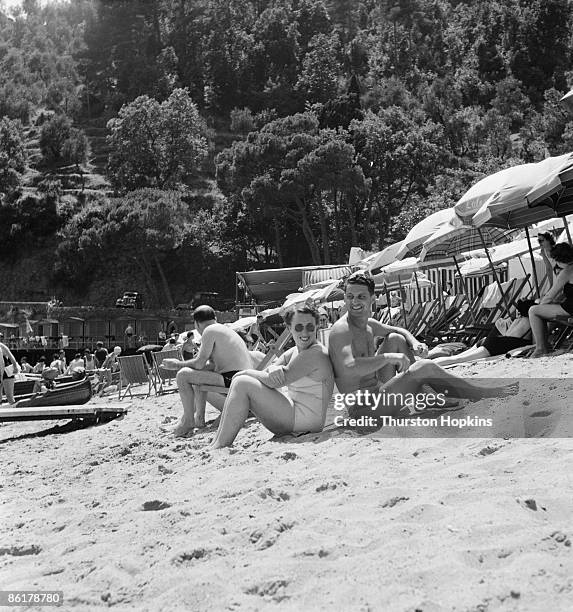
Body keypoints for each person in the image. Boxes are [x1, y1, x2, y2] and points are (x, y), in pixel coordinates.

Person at [328, 272, 518, 421]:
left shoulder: (368, 324)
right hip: (366, 411)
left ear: (372, 299)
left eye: (361, 297)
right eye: (350, 296)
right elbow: (349, 366)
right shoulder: (341, 330)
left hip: (379, 394)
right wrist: (389, 358)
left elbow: (399, 330)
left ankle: (425, 393)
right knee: (423, 366)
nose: (354, 302)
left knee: (395, 338)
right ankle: (481, 393)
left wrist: (416, 342)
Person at [211, 305, 334, 448]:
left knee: (242, 382)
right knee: (240, 381)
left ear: (317, 327)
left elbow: (273, 381)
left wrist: (246, 372)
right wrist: (275, 367)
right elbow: (271, 370)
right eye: (299, 327)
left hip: (306, 422)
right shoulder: (295, 351)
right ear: (289, 329)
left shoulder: (315, 353)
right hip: (297, 415)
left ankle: (219, 445)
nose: (305, 332)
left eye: (310, 327)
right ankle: (217, 442)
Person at [161, 305, 252, 436]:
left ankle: (188, 421)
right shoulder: (225, 330)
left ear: (196, 324)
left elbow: (199, 363)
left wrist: (177, 364)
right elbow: (210, 365)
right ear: (215, 318)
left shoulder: (209, 331)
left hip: (233, 378)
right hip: (242, 378)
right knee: (195, 377)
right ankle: (196, 419)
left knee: (182, 375)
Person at [430, 299, 535, 366]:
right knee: (458, 359)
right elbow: (514, 339)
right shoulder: (530, 322)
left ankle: (426, 363)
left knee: (457, 357)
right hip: (495, 345)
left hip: (490, 341)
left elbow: (508, 335)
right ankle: (427, 365)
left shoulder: (517, 320)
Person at [529, 242, 573, 357]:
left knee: (533, 311)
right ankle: (545, 345)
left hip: (571, 309)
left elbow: (550, 295)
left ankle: (540, 348)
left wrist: (541, 306)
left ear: (558, 259)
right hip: (569, 306)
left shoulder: (567, 271)